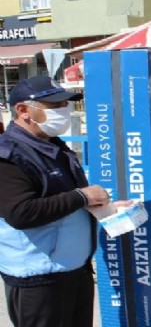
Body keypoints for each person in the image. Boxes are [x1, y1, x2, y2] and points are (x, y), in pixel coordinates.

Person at [0, 76, 111, 327]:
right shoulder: (8, 155)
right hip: (39, 279)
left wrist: (101, 207)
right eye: (54, 106)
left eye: (65, 104)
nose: (64, 110)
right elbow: (20, 212)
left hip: (74, 270)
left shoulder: (54, 146)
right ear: (23, 110)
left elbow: (67, 199)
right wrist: (82, 196)